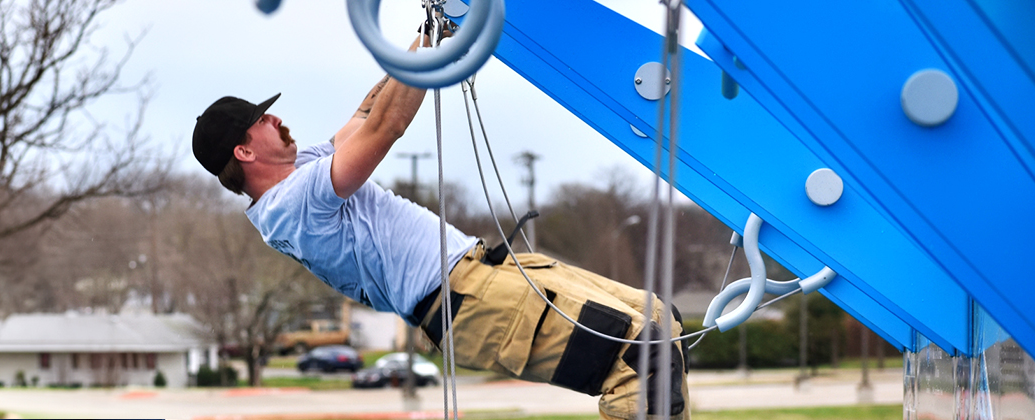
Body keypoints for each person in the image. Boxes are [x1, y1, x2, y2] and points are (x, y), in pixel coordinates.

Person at [191, 32, 689, 420]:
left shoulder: (301, 173)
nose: (276, 118)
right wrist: (430, 45)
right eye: (262, 120)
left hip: (479, 272)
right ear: (245, 150)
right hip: (465, 301)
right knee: (640, 361)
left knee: (659, 322)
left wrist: (428, 31)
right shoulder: (290, 203)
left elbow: (369, 110)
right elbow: (385, 128)